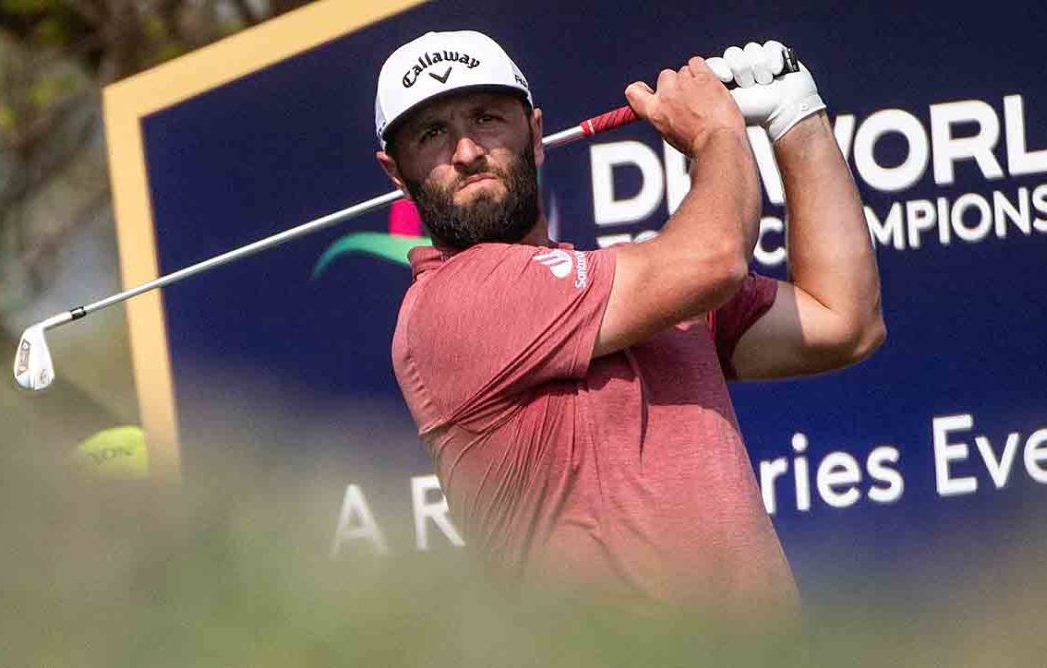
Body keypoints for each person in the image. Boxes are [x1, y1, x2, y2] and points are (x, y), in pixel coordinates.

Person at [376, 31, 884, 613]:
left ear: (536, 135)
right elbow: (715, 257)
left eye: (487, 118)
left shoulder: (637, 288)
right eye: (432, 133)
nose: (466, 152)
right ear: (397, 171)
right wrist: (718, 133)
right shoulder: (450, 303)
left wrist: (799, 118)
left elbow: (844, 320)